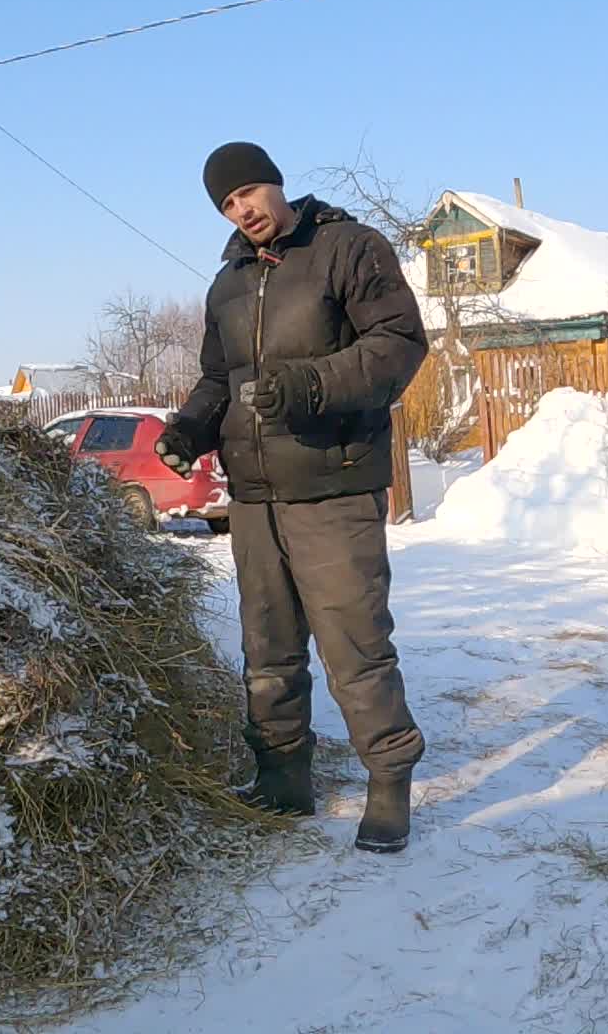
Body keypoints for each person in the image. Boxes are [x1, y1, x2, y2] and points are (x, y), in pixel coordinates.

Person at [155, 141, 428, 853]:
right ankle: (282, 776)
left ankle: (389, 781)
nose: (242, 210)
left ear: (275, 183)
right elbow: (222, 378)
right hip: (254, 498)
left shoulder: (348, 248)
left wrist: (312, 385)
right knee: (267, 646)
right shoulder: (228, 283)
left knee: (356, 645)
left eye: (248, 191)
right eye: (226, 203)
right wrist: (191, 427)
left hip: (333, 486)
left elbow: (399, 342)